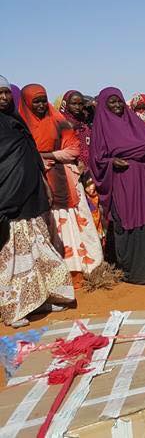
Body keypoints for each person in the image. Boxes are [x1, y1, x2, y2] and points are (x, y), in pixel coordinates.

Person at [0, 78, 75, 328]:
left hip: (31, 197)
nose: (3, 98)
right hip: (8, 201)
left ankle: (40, 299)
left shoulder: (16, 122)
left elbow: (31, 156)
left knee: (37, 249)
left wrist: (44, 186)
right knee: (14, 258)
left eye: (6, 93)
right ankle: (15, 309)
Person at [90, 87, 145, 285]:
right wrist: (112, 161)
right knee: (129, 223)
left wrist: (140, 153)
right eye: (111, 102)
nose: (116, 106)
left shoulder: (134, 123)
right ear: (104, 105)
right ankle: (139, 273)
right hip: (123, 184)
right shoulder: (101, 129)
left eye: (119, 101)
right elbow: (96, 160)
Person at [20, 84, 105, 282]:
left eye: (43, 100)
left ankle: (86, 270)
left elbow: (73, 149)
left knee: (76, 225)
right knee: (53, 228)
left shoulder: (59, 122)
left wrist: (46, 156)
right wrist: (42, 159)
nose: (41, 105)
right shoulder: (21, 126)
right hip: (39, 184)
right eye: (36, 102)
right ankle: (60, 276)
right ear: (26, 103)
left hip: (68, 180)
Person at [58, 89, 94, 172]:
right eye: (73, 104)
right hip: (69, 169)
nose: (77, 107)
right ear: (66, 104)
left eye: (80, 104)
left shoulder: (85, 124)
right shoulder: (60, 124)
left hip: (88, 170)